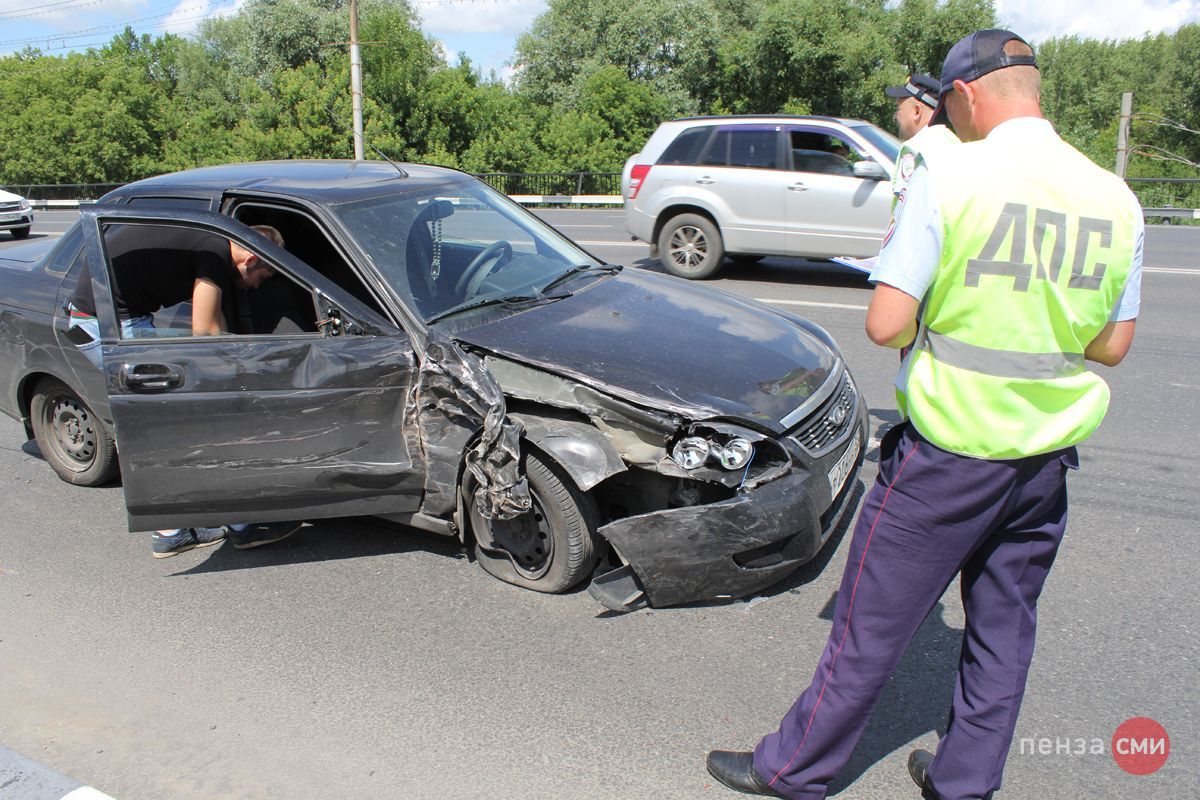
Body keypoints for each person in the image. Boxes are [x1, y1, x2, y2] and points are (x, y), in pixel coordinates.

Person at [706, 28, 1142, 800]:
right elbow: (1112, 347)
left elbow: (886, 323)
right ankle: (963, 781)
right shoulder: (1116, 198)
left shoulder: (954, 176)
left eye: (948, 102)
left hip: (946, 455)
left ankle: (794, 770)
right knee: (1004, 632)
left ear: (968, 95)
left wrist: (937, 317)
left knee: (869, 629)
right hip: (1042, 466)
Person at [66, 223, 303, 558]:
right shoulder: (215, 254)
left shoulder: (211, 244)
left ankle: (197, 525)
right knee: (185, 426)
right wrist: (236, 380)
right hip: (110, 325)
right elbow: (204, 332)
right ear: (250, 259)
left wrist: (231, 366)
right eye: (262, 277)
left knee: (176, 424)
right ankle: (215, 527)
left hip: (102, 318)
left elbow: (215, 319)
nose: (256, 287)